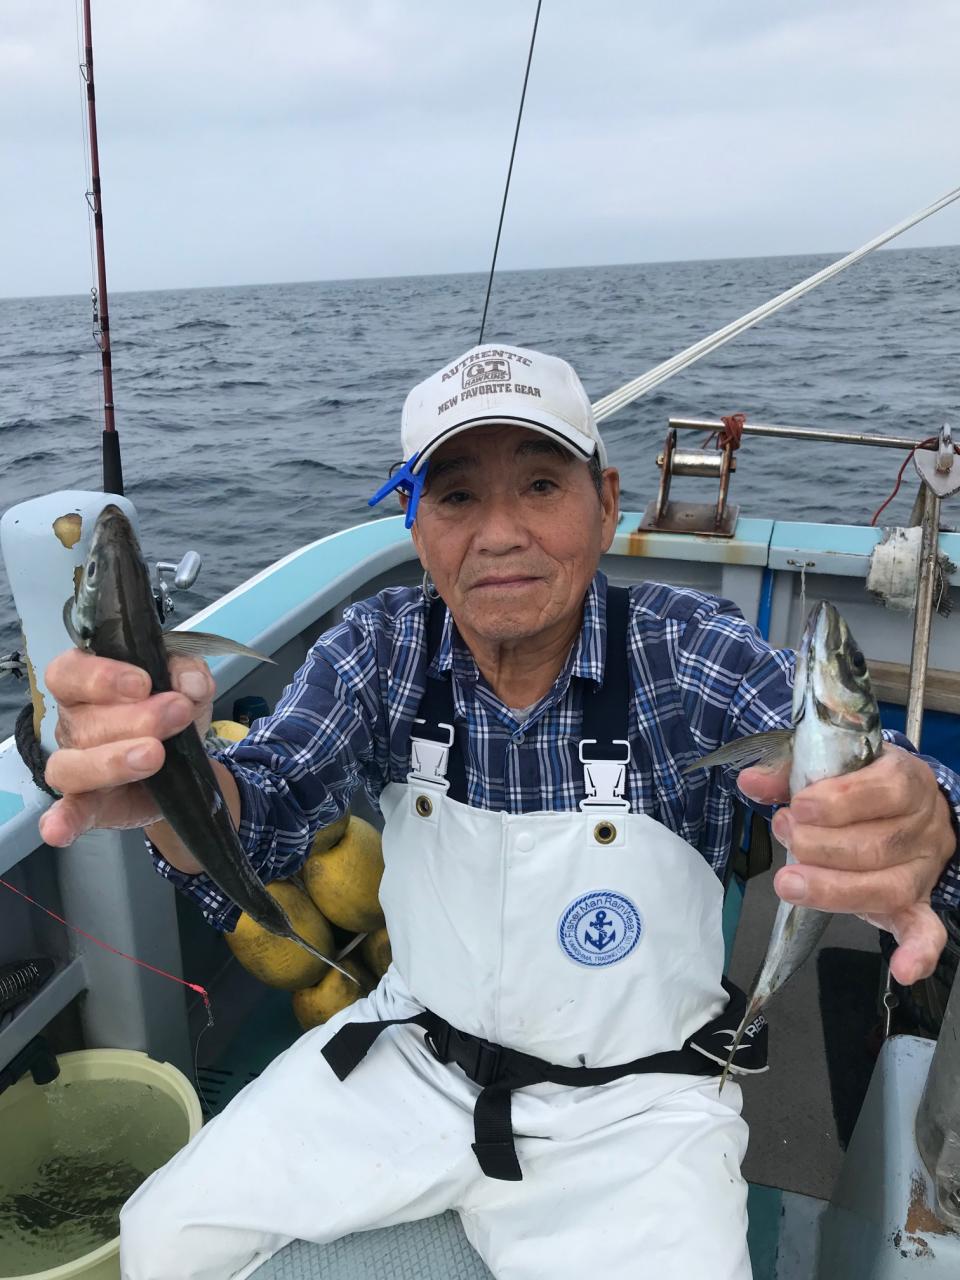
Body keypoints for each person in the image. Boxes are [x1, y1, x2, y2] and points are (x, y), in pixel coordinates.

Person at [42, 344, 960, 1280]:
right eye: (456, 496)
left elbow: (862, 768)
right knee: (164, 1237)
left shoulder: (689, 650)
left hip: (639, 1110)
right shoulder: (380, 646)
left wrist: (918, 817)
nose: (500, 534)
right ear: (417, 524)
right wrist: (165, 780)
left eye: (540, 485)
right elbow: (265, 812)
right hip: (411, 1058)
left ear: (605, 503)